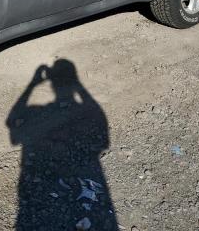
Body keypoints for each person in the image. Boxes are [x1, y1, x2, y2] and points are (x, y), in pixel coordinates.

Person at [7, 59, 118, 230]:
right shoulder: (86, 112)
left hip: (34, 194)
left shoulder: (41, 110)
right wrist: (77, 83)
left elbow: (12, 122)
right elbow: (97, 119)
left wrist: (33, 84)